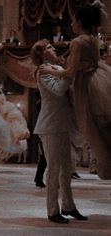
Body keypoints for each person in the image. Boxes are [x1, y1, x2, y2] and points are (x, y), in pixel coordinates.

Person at [39, 1, 111, 180]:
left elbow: (71, 71)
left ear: (80, 22)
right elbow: (80, 64)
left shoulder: (78, 42)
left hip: (87, 86)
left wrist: (49, 70)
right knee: (104, 126)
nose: (71, 24)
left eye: (73, 21)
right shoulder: (94, 39)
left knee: (95, 128)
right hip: (100, 78)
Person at [31, 39, 88, 223]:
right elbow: (58, 89)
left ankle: (68, 206)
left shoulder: (54, 68)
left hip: (61, 124)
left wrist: (66, 72)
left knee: (67, 169)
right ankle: (52, 210)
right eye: (49, 47)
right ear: (41, 54)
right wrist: (69, 74)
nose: (53, 48)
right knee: (54, 169)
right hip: (50, 125)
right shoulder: (43, 71)